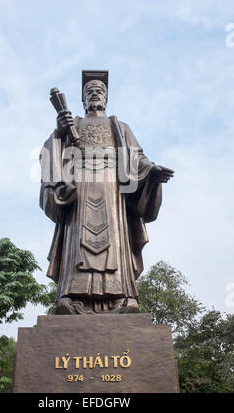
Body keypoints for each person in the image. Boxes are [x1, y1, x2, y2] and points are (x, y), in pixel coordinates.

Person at [40, 72, 173, 314]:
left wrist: (151, 171)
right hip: (79, 188)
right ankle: (71, 298)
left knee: (114, 242)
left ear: (107, 97)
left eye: (99, 90)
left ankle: (121, 299)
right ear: (82, 99)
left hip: (112, 189)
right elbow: (51, 152)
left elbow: (138, 159)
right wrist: (59, 134)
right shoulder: (74, 124)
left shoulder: (120, 127)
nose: (94, 93)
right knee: (78, 241)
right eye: (89, 91)